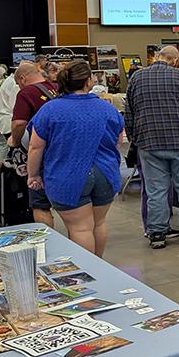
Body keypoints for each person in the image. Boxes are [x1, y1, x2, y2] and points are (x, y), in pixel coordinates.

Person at [27, 60, 124, 257]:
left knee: (80, 228)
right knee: (98, 223)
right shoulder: (106, 108)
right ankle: (100, 268)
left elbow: (36, 146)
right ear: (88, 81)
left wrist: (33, 174)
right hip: (105, 173)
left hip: (67, 175)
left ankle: (87, 274)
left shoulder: (50, 110)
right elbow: (118, 141)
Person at [126, 45, 179, 249]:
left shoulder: (137, 78)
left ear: (157, 57)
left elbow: (129, 112)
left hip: (149, 142)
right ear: (175, 60)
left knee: (156, 190)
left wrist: (134, 137)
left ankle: (157, 233)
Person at [11, 62, 58, 228]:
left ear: (22, 79)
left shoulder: (26, 93)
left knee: (40, 203)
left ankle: (48, 242)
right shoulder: (59, 87)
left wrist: (14, 141)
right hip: (67, 151)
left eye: (17, 83)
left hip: (42, 154)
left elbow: (18, 123)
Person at [0, 68, 19, 164]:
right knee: (9, 150)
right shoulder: (14, 84)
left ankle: (1, 170)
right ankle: (3, 171)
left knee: (4, 148)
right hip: (9, 120)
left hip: (5, 120)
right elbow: (15, 105)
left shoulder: (8, 81)